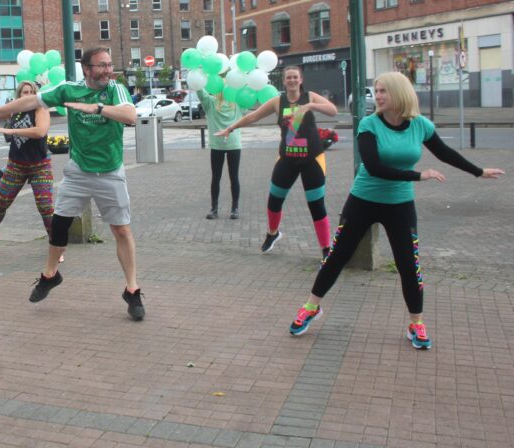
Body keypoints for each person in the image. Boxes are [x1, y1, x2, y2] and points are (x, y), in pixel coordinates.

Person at [287, 72, 504, 349]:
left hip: (399, 205)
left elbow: (445, 153)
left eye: (383, 91)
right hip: (363, 200)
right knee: (337, 256)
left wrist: (478, 171)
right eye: (376, 91)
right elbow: (375, 167)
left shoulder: (420, 125)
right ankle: (311, 307)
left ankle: (416, 323)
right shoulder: (369, 125)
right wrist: (418, 176)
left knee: (409, 265)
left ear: (399, 93)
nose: (377, 96)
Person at [0, 47, 145, 321]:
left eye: (110, 65)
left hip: (109, 172)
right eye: (102, 65)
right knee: (59, 224)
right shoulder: (69, 89)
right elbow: (30, 101)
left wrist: (96, 108)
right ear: (87, 68)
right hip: (78, 171)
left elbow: (130, 115)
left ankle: (132, 291)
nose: (108, 70)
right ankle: (50, 275)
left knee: (121, 229)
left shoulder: (115, 89)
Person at [217, 66, 338, 257]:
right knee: (274, 200)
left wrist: (311, 106)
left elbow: (333, 111)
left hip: (312, 160)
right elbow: (253, 116)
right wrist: (230, 128)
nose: (292, 80)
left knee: (316, 205)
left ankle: (326, 249)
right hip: (287, 159)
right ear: (284, 81)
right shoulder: (277, 102)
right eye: (288, 77)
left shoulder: (310, 97)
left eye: (295, 77)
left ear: (301, 80)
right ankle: (272, 234)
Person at [0, 81, 55, 254]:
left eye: (31, 92)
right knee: (0, 203)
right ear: (19, 95)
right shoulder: (15, 110)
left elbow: (40, 131)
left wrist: (13, 132)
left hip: (39, 165)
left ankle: (56, 245)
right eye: (25, 92)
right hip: (16, 165)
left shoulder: (41, 108)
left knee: (45, 207)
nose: (28, 95)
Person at [197, 88, 247, 219]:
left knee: (220, 178)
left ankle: (225, 209)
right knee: (228, 177)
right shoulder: (213, 102)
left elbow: (199, 90)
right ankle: (227, 209)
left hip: (227, 145)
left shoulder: (233, 103)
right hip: (224, 145)